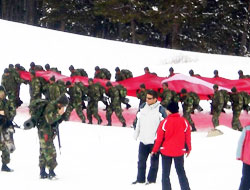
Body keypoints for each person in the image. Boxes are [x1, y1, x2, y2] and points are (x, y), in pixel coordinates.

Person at [25, 95, 68, 179]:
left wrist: (60, 117)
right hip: (44, 131)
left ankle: (42, 171)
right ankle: (51, 172)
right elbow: (49, 119)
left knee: (43, 150)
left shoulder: (54, 106)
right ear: (60, 103)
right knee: (49, 150)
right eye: (64, 105)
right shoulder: (51, 106)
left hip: (47, 131)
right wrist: (59, 114)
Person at [151, 101, 191, 190]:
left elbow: (159, 139)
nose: (165, 111)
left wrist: (154, 150)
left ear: (170, 111)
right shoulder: (184, 122)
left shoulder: (164, 122)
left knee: (165, 174)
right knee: (181, 172)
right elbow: (187, 137)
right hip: (179, 151)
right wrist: (188, 149)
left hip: (166, 151)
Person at [132, 89, 166, 185]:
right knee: (141, 162)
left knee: (154, 163)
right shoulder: (143, 107)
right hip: (143, 140)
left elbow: (164, 126)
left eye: (150, 98)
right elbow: (138, 121)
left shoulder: (160, 110)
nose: (147, 100)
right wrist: (136, 134)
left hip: (154, 141)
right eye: (146, 98)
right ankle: (140, 179)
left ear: (155, 99)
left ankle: (151, 180)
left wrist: (159, 140)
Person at [0, 87, 16, 172]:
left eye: (2, 92)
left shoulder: (8, 102)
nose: (1, 94)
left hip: (5, 127)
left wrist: (6, 117)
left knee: (6, 146)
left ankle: (4, 164)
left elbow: (13, 112)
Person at [236, 125, 250, 190]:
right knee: (246, 178)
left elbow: (240, 142)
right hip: (247, 159)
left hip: (247, 159)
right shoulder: (247, 128)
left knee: (246, 178)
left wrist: (238, 155)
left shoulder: (247, 127)